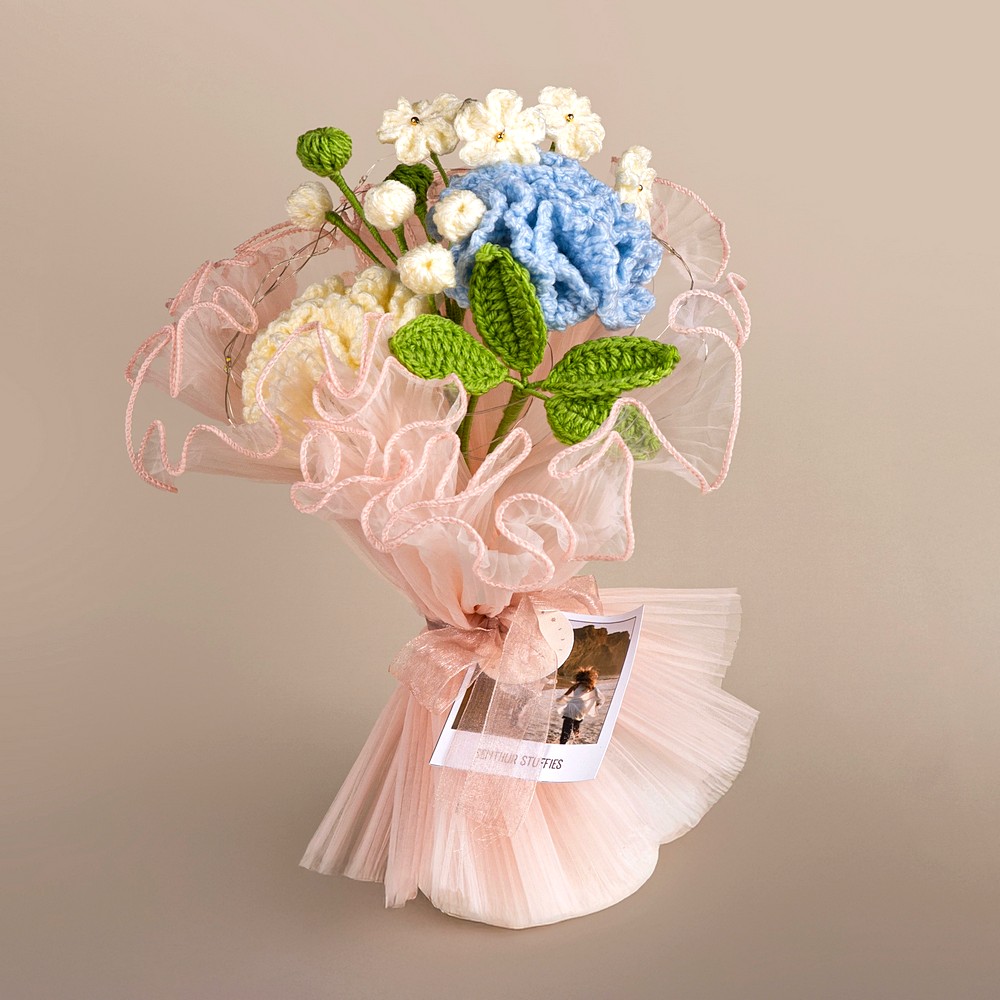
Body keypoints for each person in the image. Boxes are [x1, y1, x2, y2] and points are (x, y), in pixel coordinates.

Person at [555, 668, 603, 744]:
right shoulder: (591, 687)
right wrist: (597, 704)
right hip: (581, 708)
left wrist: (559, 699)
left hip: (572, 706)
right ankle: (576, 737)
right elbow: (599, 697)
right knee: (577, 723)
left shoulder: (576, 685)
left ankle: (563, 741)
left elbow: (566, 694)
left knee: (567, 724)